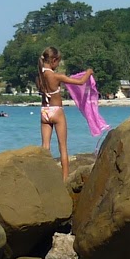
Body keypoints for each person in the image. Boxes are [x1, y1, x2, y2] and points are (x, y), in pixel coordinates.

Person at [36, 46, 94, 179]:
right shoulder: (56, 76)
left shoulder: (39, 77)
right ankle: (65, 179)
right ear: (54, 60)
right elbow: (80, 82)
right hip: (57, 111)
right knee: (63, 146)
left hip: (44, 112)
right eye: (58, 62)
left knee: (45, 146)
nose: (58, 65)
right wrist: (88, 72)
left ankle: (44, 177)